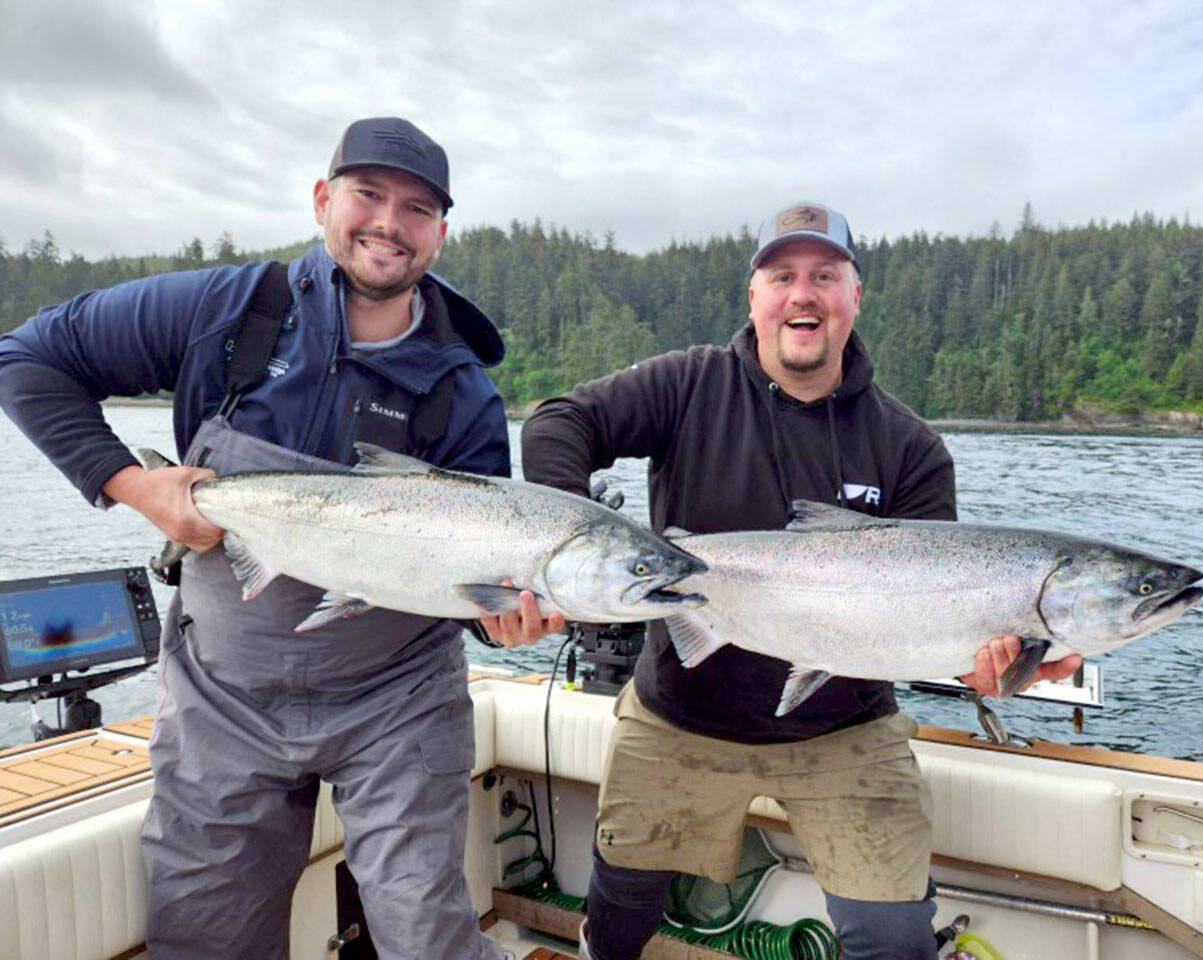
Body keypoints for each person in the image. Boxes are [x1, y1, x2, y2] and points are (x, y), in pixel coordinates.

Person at [0, 117, 539, 960]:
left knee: (426, 932)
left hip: (397, 701)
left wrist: (510, 616)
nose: (389, 224)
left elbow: (471, 588)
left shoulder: (462, 390)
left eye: (417, 208)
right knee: (206, 935)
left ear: (441, 231)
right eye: (369, 195)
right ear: (324, 200)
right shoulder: (227, 309)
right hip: (224, 695)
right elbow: (26, 359)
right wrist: (139, 486)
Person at [512, 201, 1082, 960]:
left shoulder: (911, 448)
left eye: (825, 276)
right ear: (754, 297)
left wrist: (1008, 670)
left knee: (895, 941)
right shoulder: (688, 385)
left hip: (845, 730)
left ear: (855, 296)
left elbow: (951, 638)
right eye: (782, 275)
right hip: (681, 711)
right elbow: (559, 422)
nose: (802, 294)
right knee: (619, 909)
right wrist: (577, 544)